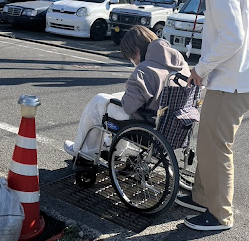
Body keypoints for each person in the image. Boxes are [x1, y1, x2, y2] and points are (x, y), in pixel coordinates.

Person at [157, 0, 249, 232]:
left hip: (233, 82)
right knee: (207, 142)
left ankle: (220, 214)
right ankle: (203, 197)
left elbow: (233, 36)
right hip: (234, 78)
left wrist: (200, 70)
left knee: (217, 147)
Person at [64, 25, 190, 165]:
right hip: (172, 125)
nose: (132, 61)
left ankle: (84, 152)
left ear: (136, 51)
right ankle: (112, 148)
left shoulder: (144, 69)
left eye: (130, 57)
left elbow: (129, 107)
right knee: (115, 98)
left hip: (146, 125)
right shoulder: (181, 63)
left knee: (99, 101)